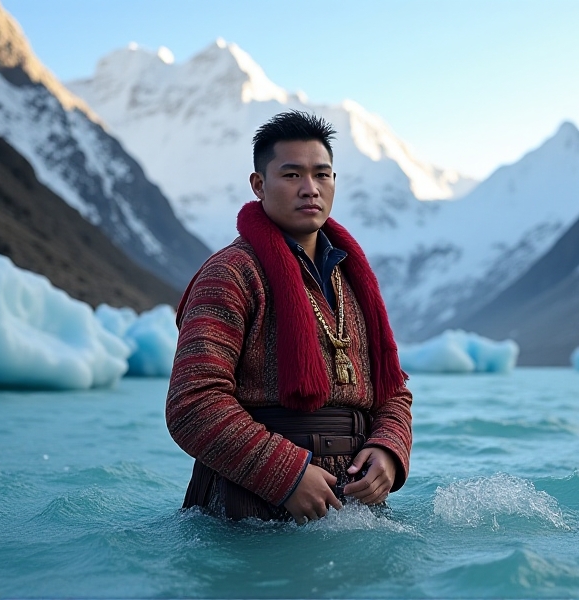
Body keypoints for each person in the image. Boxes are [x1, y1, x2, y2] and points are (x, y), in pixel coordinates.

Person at [165, 110, 413, 524]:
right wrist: (287, 476)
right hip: (249, 511)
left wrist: (389, 451)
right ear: (258, 184)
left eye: (323, 174)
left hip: (355, 511)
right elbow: (192, 402)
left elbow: (392, 390)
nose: (310, 189)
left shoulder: (352, 278)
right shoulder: (229, 274)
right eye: (292, 175)